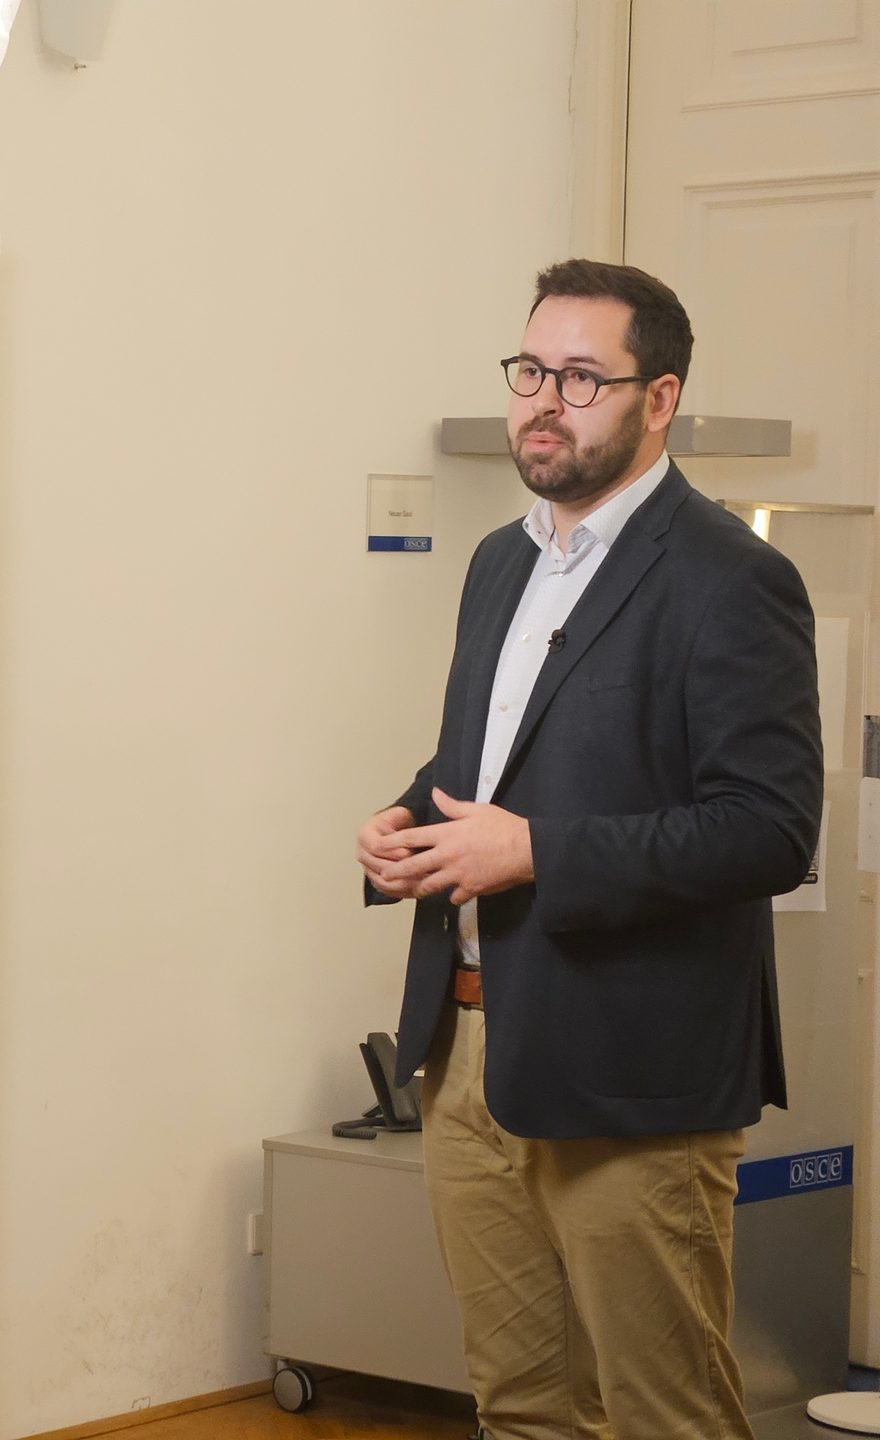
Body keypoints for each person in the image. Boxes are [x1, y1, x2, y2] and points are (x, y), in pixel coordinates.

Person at [355, 260, 822, 1440]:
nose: (541, 402)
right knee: (518, 1405)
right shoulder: (500, 561)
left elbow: (769, 828)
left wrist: (538, 855)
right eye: (529, 371)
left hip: (631, 1073)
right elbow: (489, 769)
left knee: (664, 1416)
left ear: (657, 399)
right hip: (466, 1053)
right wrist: (405, 824)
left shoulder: (734, 578)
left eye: (580, 378)